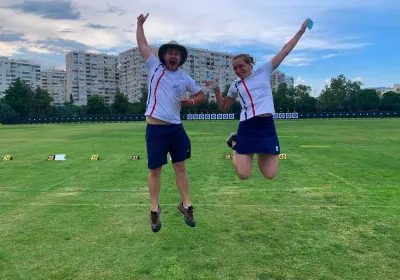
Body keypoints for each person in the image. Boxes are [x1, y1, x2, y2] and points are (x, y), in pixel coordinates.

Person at [212, 18, 311, 180]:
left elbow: (285, 51)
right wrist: (217, 92)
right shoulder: (235, 86)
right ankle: (235, 142)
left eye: (241, 66)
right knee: (243, 174)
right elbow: (223, 107)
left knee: (270, 174)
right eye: (235, 68)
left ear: (250, 64)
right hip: (248, 126)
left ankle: (258, 151)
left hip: (266, 126)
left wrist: (300, 31)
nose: (238, 70)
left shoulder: (264, 71)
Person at [136, 13, 207, 232]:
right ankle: (155, 210)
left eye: (177, 53)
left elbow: (202, 95)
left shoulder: (184, 78)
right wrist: (139, 24)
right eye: (170, 52)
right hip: (155, 129)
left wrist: (192, 101)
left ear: (180, 57)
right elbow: (142, 44)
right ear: (165, 56)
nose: (173, 56)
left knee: (180, 167)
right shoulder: (154, 67)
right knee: (155, 170)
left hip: (176, 129)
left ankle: (186, 205)